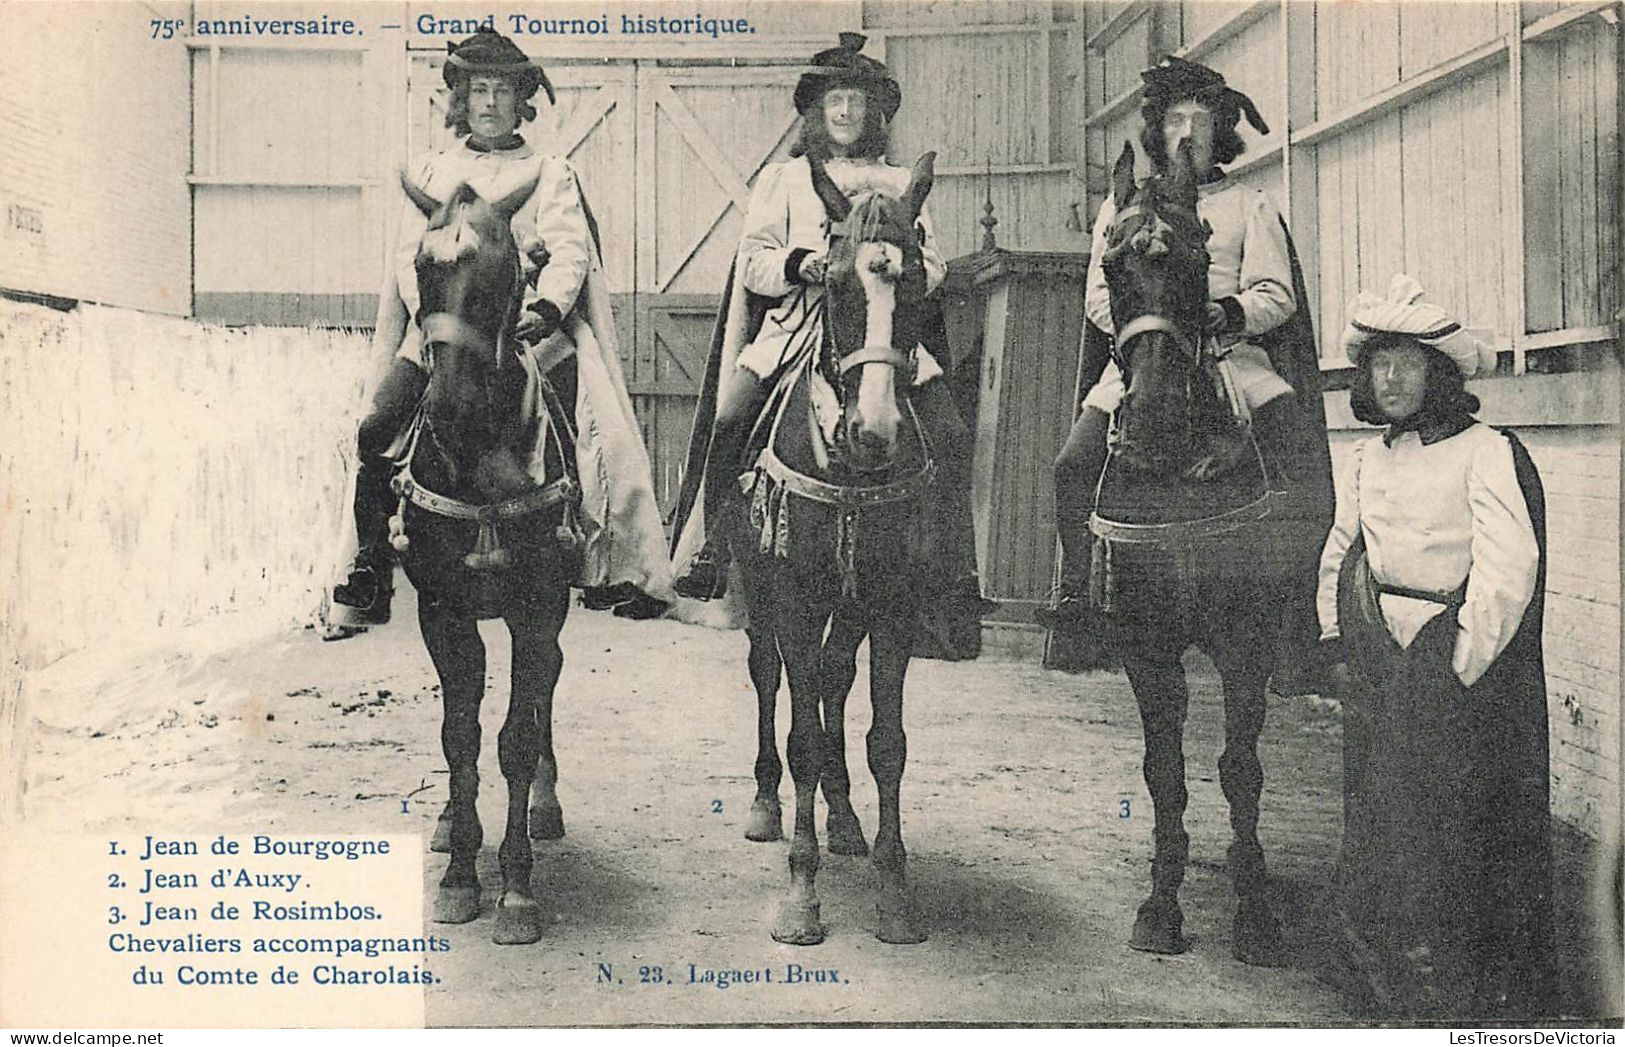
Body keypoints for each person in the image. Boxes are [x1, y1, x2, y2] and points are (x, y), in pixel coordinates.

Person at [329, 28, 672, 629]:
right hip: (443, 330)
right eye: (478, 90)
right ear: (460, 100)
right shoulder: (432, 171)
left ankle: (598, 553)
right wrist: (436, 318)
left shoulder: (549, 170)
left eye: (503, 91)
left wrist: (548, 309)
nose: (489, 102)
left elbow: (569, 251)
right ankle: (371, 563)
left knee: (596, 437)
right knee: (377, 426)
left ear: (522, 102)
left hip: (526, 331)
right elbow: (411, 259)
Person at [670, 33, 984, 613]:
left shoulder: (898, 182)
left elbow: (934, 265)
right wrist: (807, 265)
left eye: (857, 102)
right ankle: (712, 548)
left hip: (882, 330)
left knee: (951, 430)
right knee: (731, 414)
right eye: (835, 100)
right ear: (817, 110)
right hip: (797, 326)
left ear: (874, 113)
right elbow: (755, 261)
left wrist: (900, 267)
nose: (845, 112)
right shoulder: (783, 181)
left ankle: (954, 565)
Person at [1317, 274, 1553, 1019]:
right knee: (1379, 819)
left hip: (1452, 666)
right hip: (1379, 657)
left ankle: (1457, 984)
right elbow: (1340, 549)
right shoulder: (1367, 459)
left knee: (1452, 830)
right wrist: (1335, 637)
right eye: (1379, 363)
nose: (1391, 378)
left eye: (1408, 363)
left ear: (1437, 372)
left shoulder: (1487, 451)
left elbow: (1509, 568)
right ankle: (1382, 970)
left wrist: (1456, 667)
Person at [1038, 56, 1307, 630]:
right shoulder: (1121, 207)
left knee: (1296, 451)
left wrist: (1221, 312)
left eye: (1201, 121)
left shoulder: (1248, 204)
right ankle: (1079, 597)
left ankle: (1296, 614)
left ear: (1221, 134)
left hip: (1231, 358)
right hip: (1143, 356)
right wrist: (1150, 327)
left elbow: (1276, 294)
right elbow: (1096, 298)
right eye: (1175, 120)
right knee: (1072, 464)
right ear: (1157, 132)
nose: (1187, 132)